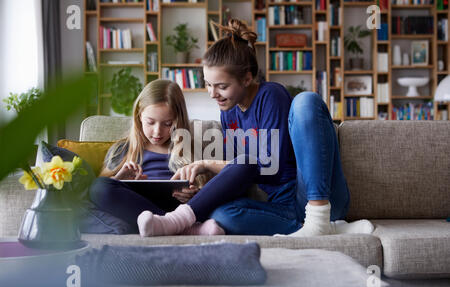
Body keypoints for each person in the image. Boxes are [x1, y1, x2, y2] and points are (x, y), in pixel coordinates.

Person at [137, 19, 374, 237]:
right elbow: (241, 170)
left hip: (313, 196)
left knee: (306, 101)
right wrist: (199, 191)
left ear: (247, 78)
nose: (212, 94)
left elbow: (267, 165)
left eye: (221, 86)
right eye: (207, 84)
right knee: (222, 215)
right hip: (282, 208)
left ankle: (319, 218)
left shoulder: (271, 96)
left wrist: (207, 163)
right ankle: (327, 230)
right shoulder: (228, 111)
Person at [89, 79, 224, 235]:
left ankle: (174, 225)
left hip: (180, 210)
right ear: (139, 116)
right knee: (100, 187)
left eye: (167, 124)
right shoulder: (122, 150)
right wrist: (120, 180)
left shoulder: (193, 150)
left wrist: (193, 196)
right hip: (138, 212)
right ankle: (185, 230)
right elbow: (99, 196)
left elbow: (211, 191)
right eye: (150, 122)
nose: (157, 132)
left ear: (178, 121)